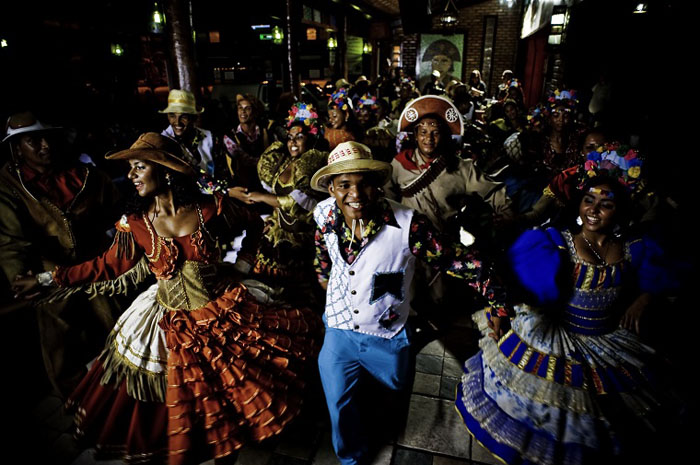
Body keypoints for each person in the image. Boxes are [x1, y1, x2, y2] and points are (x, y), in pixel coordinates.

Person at [13, 133, 321, 464]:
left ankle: (226, 454)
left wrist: (242, 264)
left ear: (164, 171)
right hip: (169, 320)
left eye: (139, 167)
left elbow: (254, 223)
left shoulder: (210, 209)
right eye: (130, 168)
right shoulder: (136, 222)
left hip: (221, 311)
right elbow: (104, 266)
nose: (131, 176)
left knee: (232, 393)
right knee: (184, 398)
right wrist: (47, 277)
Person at [455, 173, 678, 465]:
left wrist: (642, 298)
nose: (593, 210)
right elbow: (520, 283)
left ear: (621, 210)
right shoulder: (555, 242)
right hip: (555, 336)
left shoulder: (635, 249)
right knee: (553, 415)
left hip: (608, 340)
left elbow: (665, 272)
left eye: (606, 204)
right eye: (589, 200)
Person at [309, 141, 505, 465]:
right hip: (339, 332)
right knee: (339, 406)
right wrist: (324, 277)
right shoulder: (324, 215)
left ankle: (381, 427)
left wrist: (498, 302)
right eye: (344, 184)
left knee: (393, 394)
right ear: (331, 188)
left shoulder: (409, 225)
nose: (355, 194)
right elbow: (321, 252)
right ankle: (352, 459)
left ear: (378, 186)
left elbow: (459, 262)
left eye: (364, 183)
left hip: (387, 336)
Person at [1, 111, 122, 395]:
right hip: (49, 271)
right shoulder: (10, 185)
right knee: (62, 339)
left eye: (48, 138)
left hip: (96, 262)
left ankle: (125, 398)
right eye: (33, 141)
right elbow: (9, 240)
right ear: (17, 147)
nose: (45, 145)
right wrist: (20, 276)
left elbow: (117, 214)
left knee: (116, 324)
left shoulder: (84, 172)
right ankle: (77, 402)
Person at [389, 95, 513, 235]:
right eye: (423, 132)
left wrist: (506, 214)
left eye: (435, 133)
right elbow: (386, 199)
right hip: (407, 241)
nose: (429, 138)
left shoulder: (461, 167)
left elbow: (493, 191)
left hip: (445, 241)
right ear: (415, 136)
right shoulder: (400, 163)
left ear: (444, 136)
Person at [241, 103, 328, 302]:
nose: (293, 143)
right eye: (289, 138)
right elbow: (277, 200)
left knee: (305, 295)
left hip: (304, 240)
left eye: (299, 137)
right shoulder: (286, 162)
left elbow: (297, 203)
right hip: (281, 234)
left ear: (311, 138)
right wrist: (273, 220)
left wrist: (262, 197)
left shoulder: (312, 163)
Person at [223, 93, 275, 201]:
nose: (243, 112)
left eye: (247, 108)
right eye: (240, 108)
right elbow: (244, 160)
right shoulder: (230, 136)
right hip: (243, 188)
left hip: (265, 185)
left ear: (255, 112)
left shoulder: (265, 132)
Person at [159, 88, 216, 177]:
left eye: (183, 116)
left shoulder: (209, 137)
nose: (177, 122)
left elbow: (221, 169)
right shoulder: (162, 142)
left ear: (194, 118)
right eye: (172, 116)